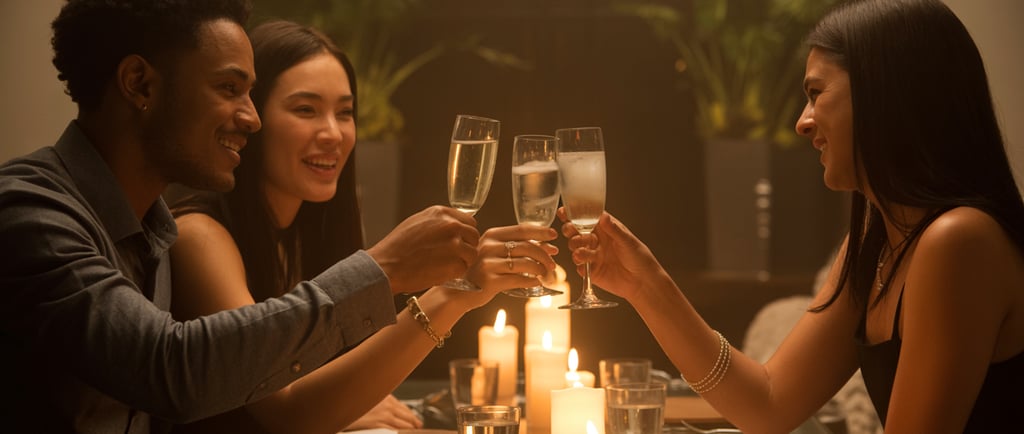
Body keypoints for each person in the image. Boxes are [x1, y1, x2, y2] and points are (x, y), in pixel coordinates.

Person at [0, 1, 481, 432]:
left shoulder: (152, 229)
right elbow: (170, 369)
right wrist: (384, 269)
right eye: (228, 88)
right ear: (139, 84)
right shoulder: (29, 212)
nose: (251, 118)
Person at [561, 0, 1024, 432]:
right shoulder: (876, 241)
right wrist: (644, 284)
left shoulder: (959, 242)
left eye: (817, 93)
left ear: (886, 96)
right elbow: (767, 402)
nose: (803, 122)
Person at [166, 20, 558, 434]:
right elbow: (287, 412)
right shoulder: (200, 237)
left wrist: (349, 405)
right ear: (251, 118)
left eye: (345, 112)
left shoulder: (305, 235)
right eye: (306, 110)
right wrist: (450, 297)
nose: (334, 133)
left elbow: (319, 398)